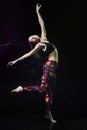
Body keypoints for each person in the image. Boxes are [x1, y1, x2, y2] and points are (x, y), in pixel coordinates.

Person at [7, 3, 58, 123]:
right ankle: (22, 88)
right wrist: (16, 60)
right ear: (35, 43)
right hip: (49, 67)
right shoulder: (40, 45)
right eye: (32, 39)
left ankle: (48, 114)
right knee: (42, 89)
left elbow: (42, 25)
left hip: (53, 68)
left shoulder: (44, 38)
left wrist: (37, 12)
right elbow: (29, 54)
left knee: (49, 91)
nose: (34, 36)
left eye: (33, 36)